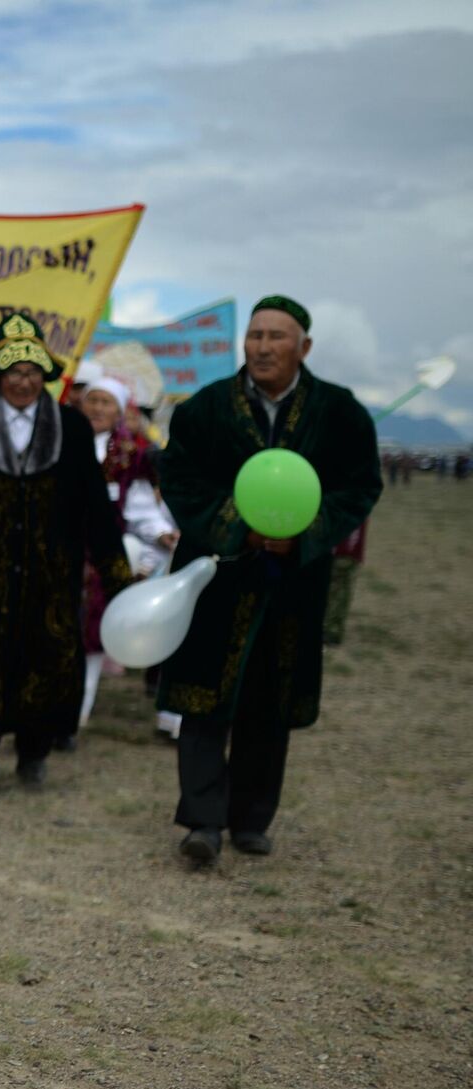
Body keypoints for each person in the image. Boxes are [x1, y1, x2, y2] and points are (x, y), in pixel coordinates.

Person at [156, 296, 382, 869]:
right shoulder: (205, 409)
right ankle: (203, 820)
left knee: (269, 700)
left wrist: (305, 534)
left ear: (303, 347)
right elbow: (179, 480)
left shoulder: (340, 413)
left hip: (292, 583)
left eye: (276, 337)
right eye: (254, 335)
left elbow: (359, 487)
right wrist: (238, 529)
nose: (261, 346)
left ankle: (251, 819)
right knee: (204, 700)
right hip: (219, 575)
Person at [0, 312, 133, 797]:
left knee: (45, 660)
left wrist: (113, 569)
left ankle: (34, 751)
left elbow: (95, 506)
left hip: (51, 576)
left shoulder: (73, 429)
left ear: (45, 374)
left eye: (32, 371)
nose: (23, 381)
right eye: (14, 372)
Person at [76, 376, 177, 736]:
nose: (98, 409)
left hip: (102, 557)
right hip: (60, 552)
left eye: (106, 403)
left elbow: (140, 510)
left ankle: (78, 713)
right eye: (93, 401)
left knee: (90, 635)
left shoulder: (130, 455)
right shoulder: (63, 441)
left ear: (119, 411)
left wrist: (159, 532)